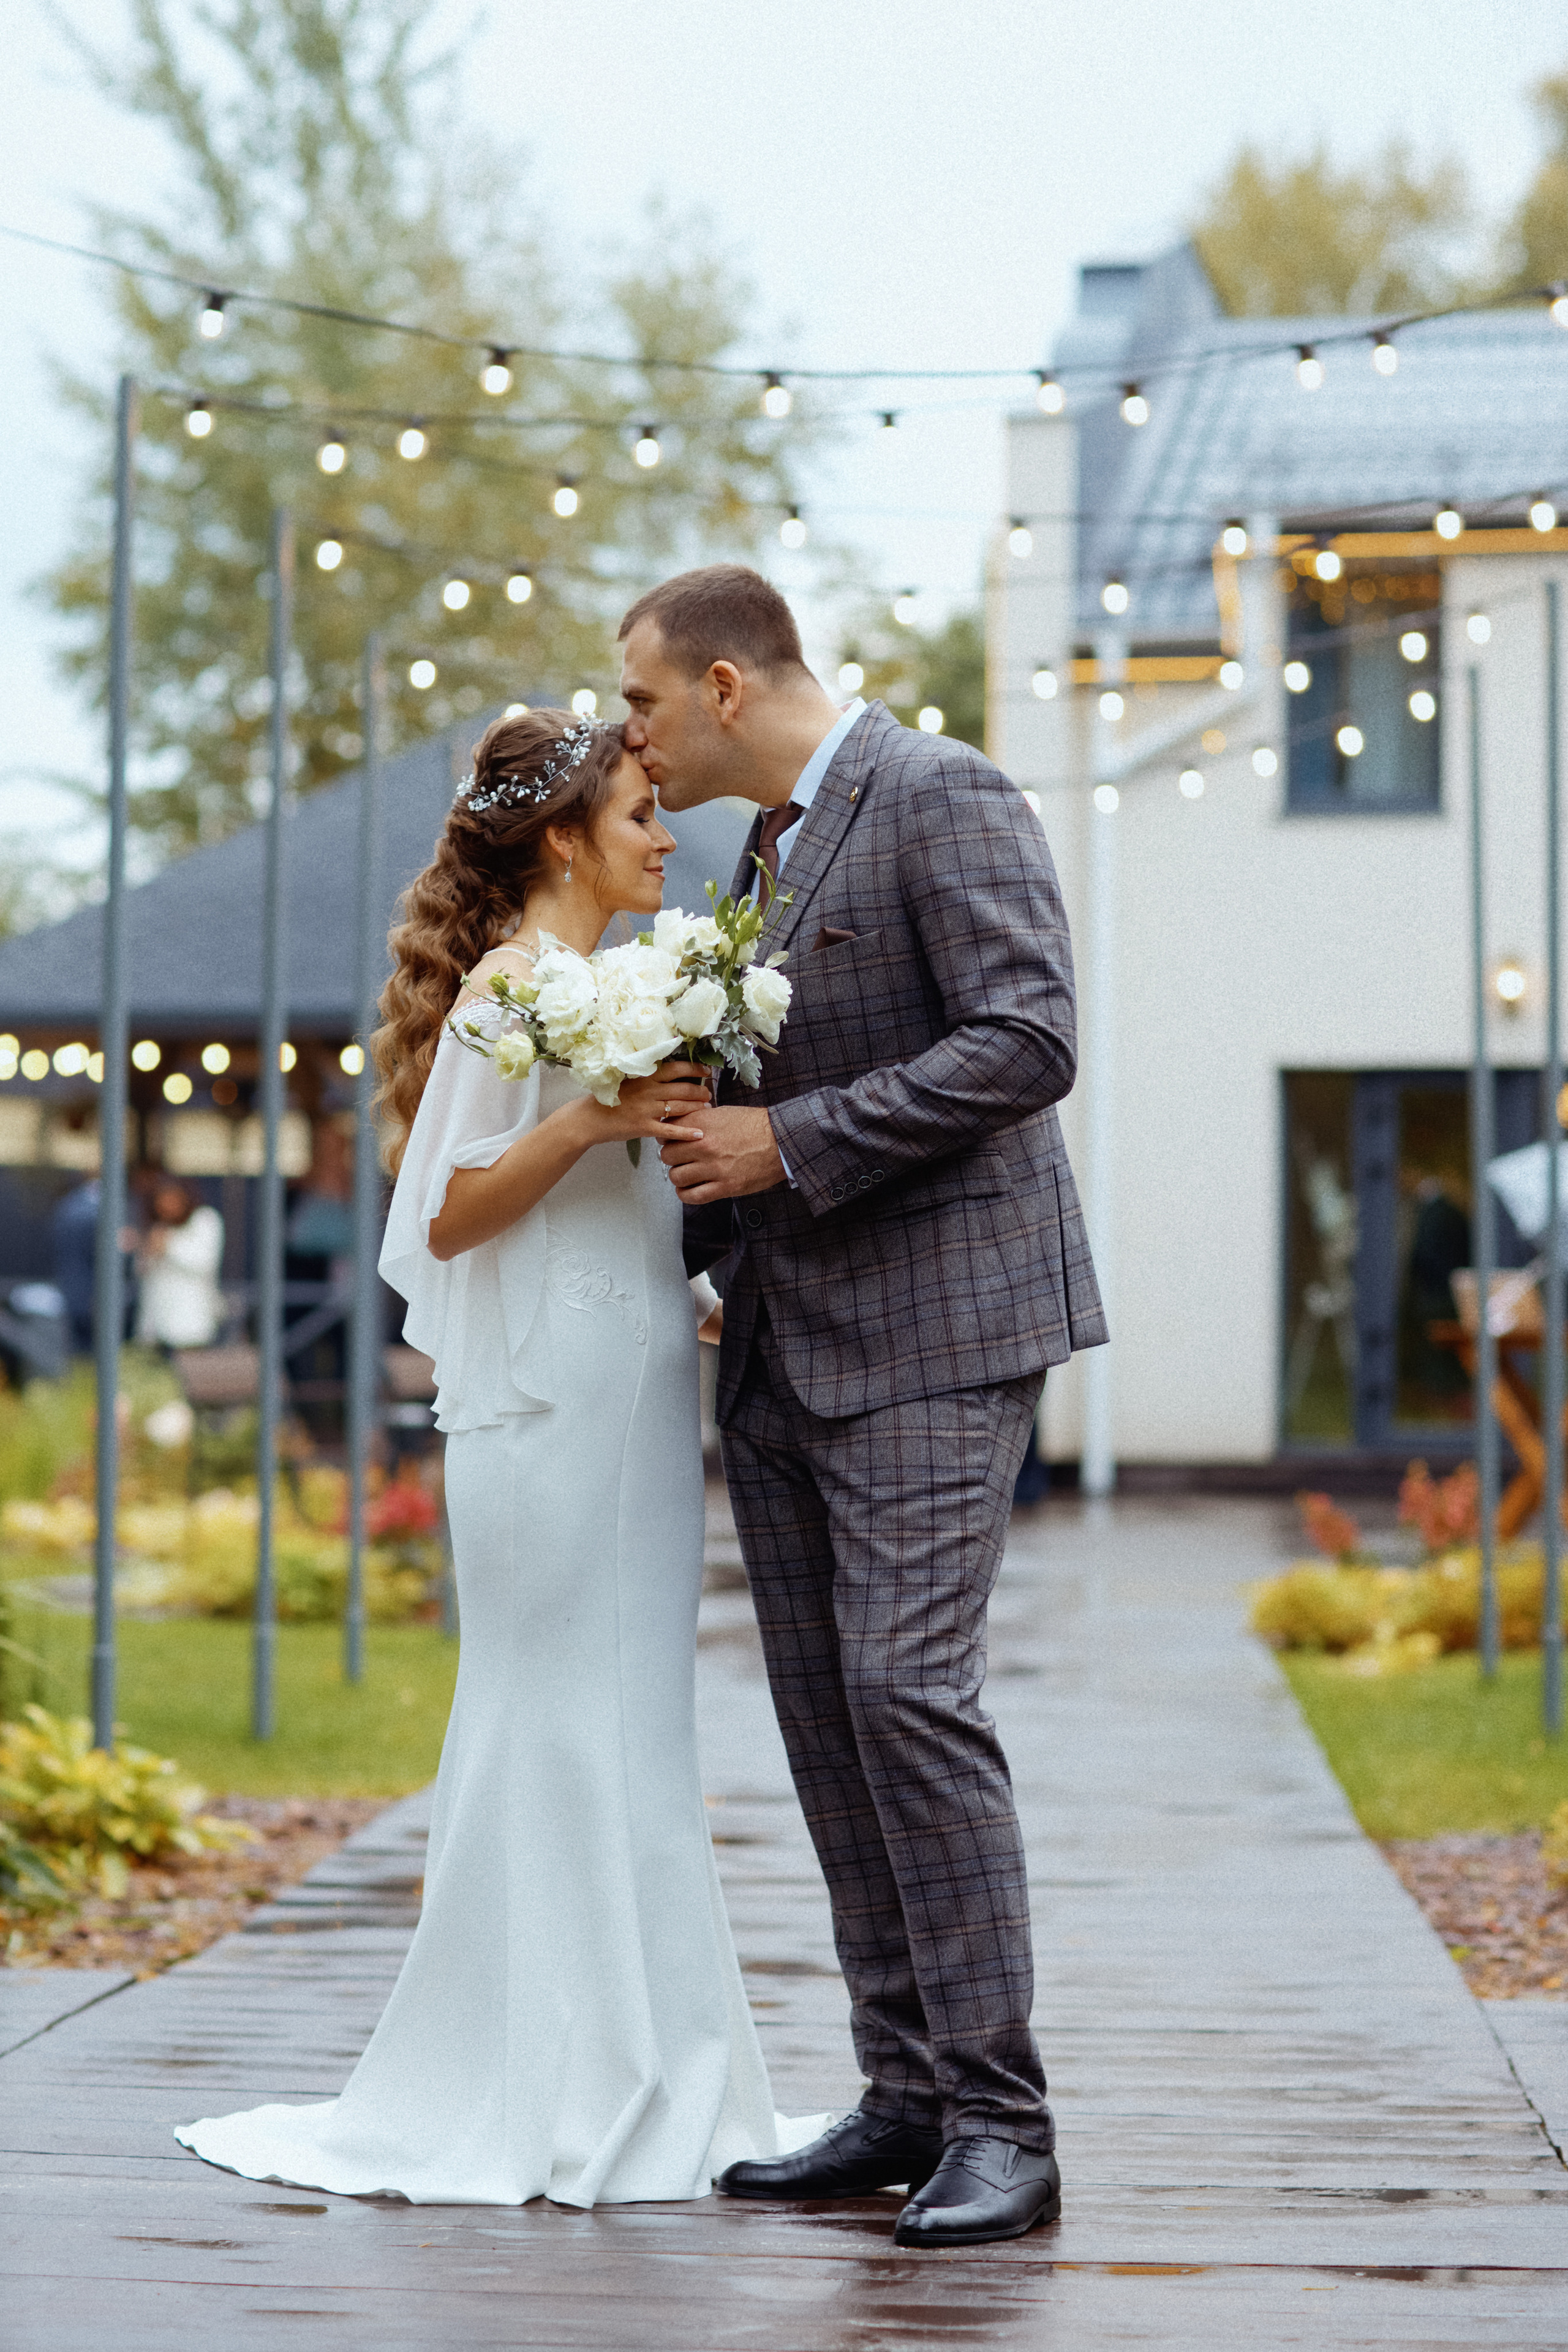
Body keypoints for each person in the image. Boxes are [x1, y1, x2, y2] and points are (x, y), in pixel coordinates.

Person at [175, 707, 817, 2206]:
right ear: (562, 840)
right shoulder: (511, 990)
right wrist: (593, 1120)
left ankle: (646, 2056)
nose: (666, 838)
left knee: (634, 1713)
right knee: (551, 1707)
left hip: (636, 1376)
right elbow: (445, 1212)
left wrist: (702, 1294)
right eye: (640, 813)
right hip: (547, 1403)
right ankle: (540, 2074)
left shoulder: (613, 988)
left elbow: (617, 1210)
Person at [619, 565, 1105, 2248]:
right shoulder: (760, 856)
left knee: (906, 1692)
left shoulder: (941, 789)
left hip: (940, 1329)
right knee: (828, 1721)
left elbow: (1028, 1037)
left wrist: (788, 1144)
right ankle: (902, 2095)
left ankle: (1003, 2124)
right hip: (778, 1344)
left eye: (642, 701)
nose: (630, 736)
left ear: (726, 686)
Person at [134, 1179, 225, 1351]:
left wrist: (168, 1245)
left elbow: (203, 1262)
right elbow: (142, 1272)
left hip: (191, 1326)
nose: (167, 1208)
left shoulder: (204, 1220)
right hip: (156, 1328)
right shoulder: (157, 1226)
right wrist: (146, 1249)